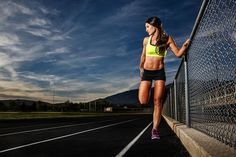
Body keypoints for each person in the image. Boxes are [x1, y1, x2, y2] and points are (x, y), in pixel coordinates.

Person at [138, 16, 190, 140]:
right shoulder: (146, 40)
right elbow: (143, 55)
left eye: (147, 27)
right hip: (146, 73)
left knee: (158, 101)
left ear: (155, 26)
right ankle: (149, 89)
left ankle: (154, 130)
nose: (146, 29)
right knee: (143, 101)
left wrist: (184, 46)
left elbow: (178, 54)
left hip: (159, 73)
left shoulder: (167, 39)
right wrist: (141, 69)